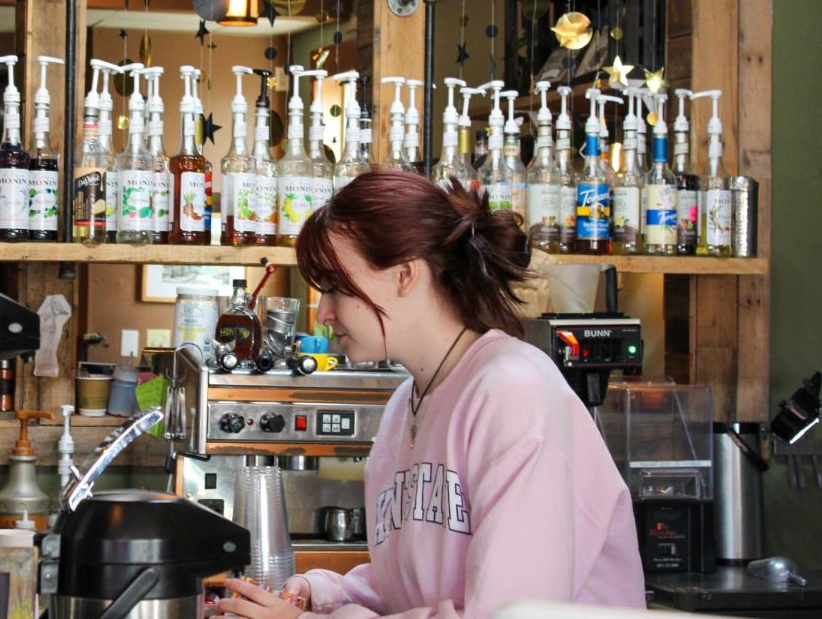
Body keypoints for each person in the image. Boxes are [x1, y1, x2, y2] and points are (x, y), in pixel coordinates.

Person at [219, 172, 644, 619]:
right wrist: (323, 593)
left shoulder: (514, 391)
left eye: (336, 287)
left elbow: (511, 614)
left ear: (405, 274)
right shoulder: (406, 404)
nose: (324, 312)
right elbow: (416, 586)